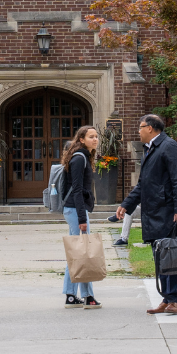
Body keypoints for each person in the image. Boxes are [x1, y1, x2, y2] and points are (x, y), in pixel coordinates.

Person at [116, 114, 177, 314]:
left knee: (170, 255)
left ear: (151, 128)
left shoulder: (169, 146)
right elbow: (143, 184)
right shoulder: (150, 149)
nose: (138, 131)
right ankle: (166, 299)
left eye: (140, 127)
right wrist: (127, 204)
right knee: (160, 256)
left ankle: (173, 300)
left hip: (168, 212)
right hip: (154, 211)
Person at [61, 125, 102, 309]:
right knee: (82, 253)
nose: (95, 139)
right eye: (91, 136)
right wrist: (82, 219)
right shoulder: (79, 158)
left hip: (76, 210)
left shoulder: (83, 156)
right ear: (81, 140)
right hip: (75, 210)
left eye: (96, 136)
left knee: (78, 253)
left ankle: (72, 296)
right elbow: (76, 190)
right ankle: (87, 297)